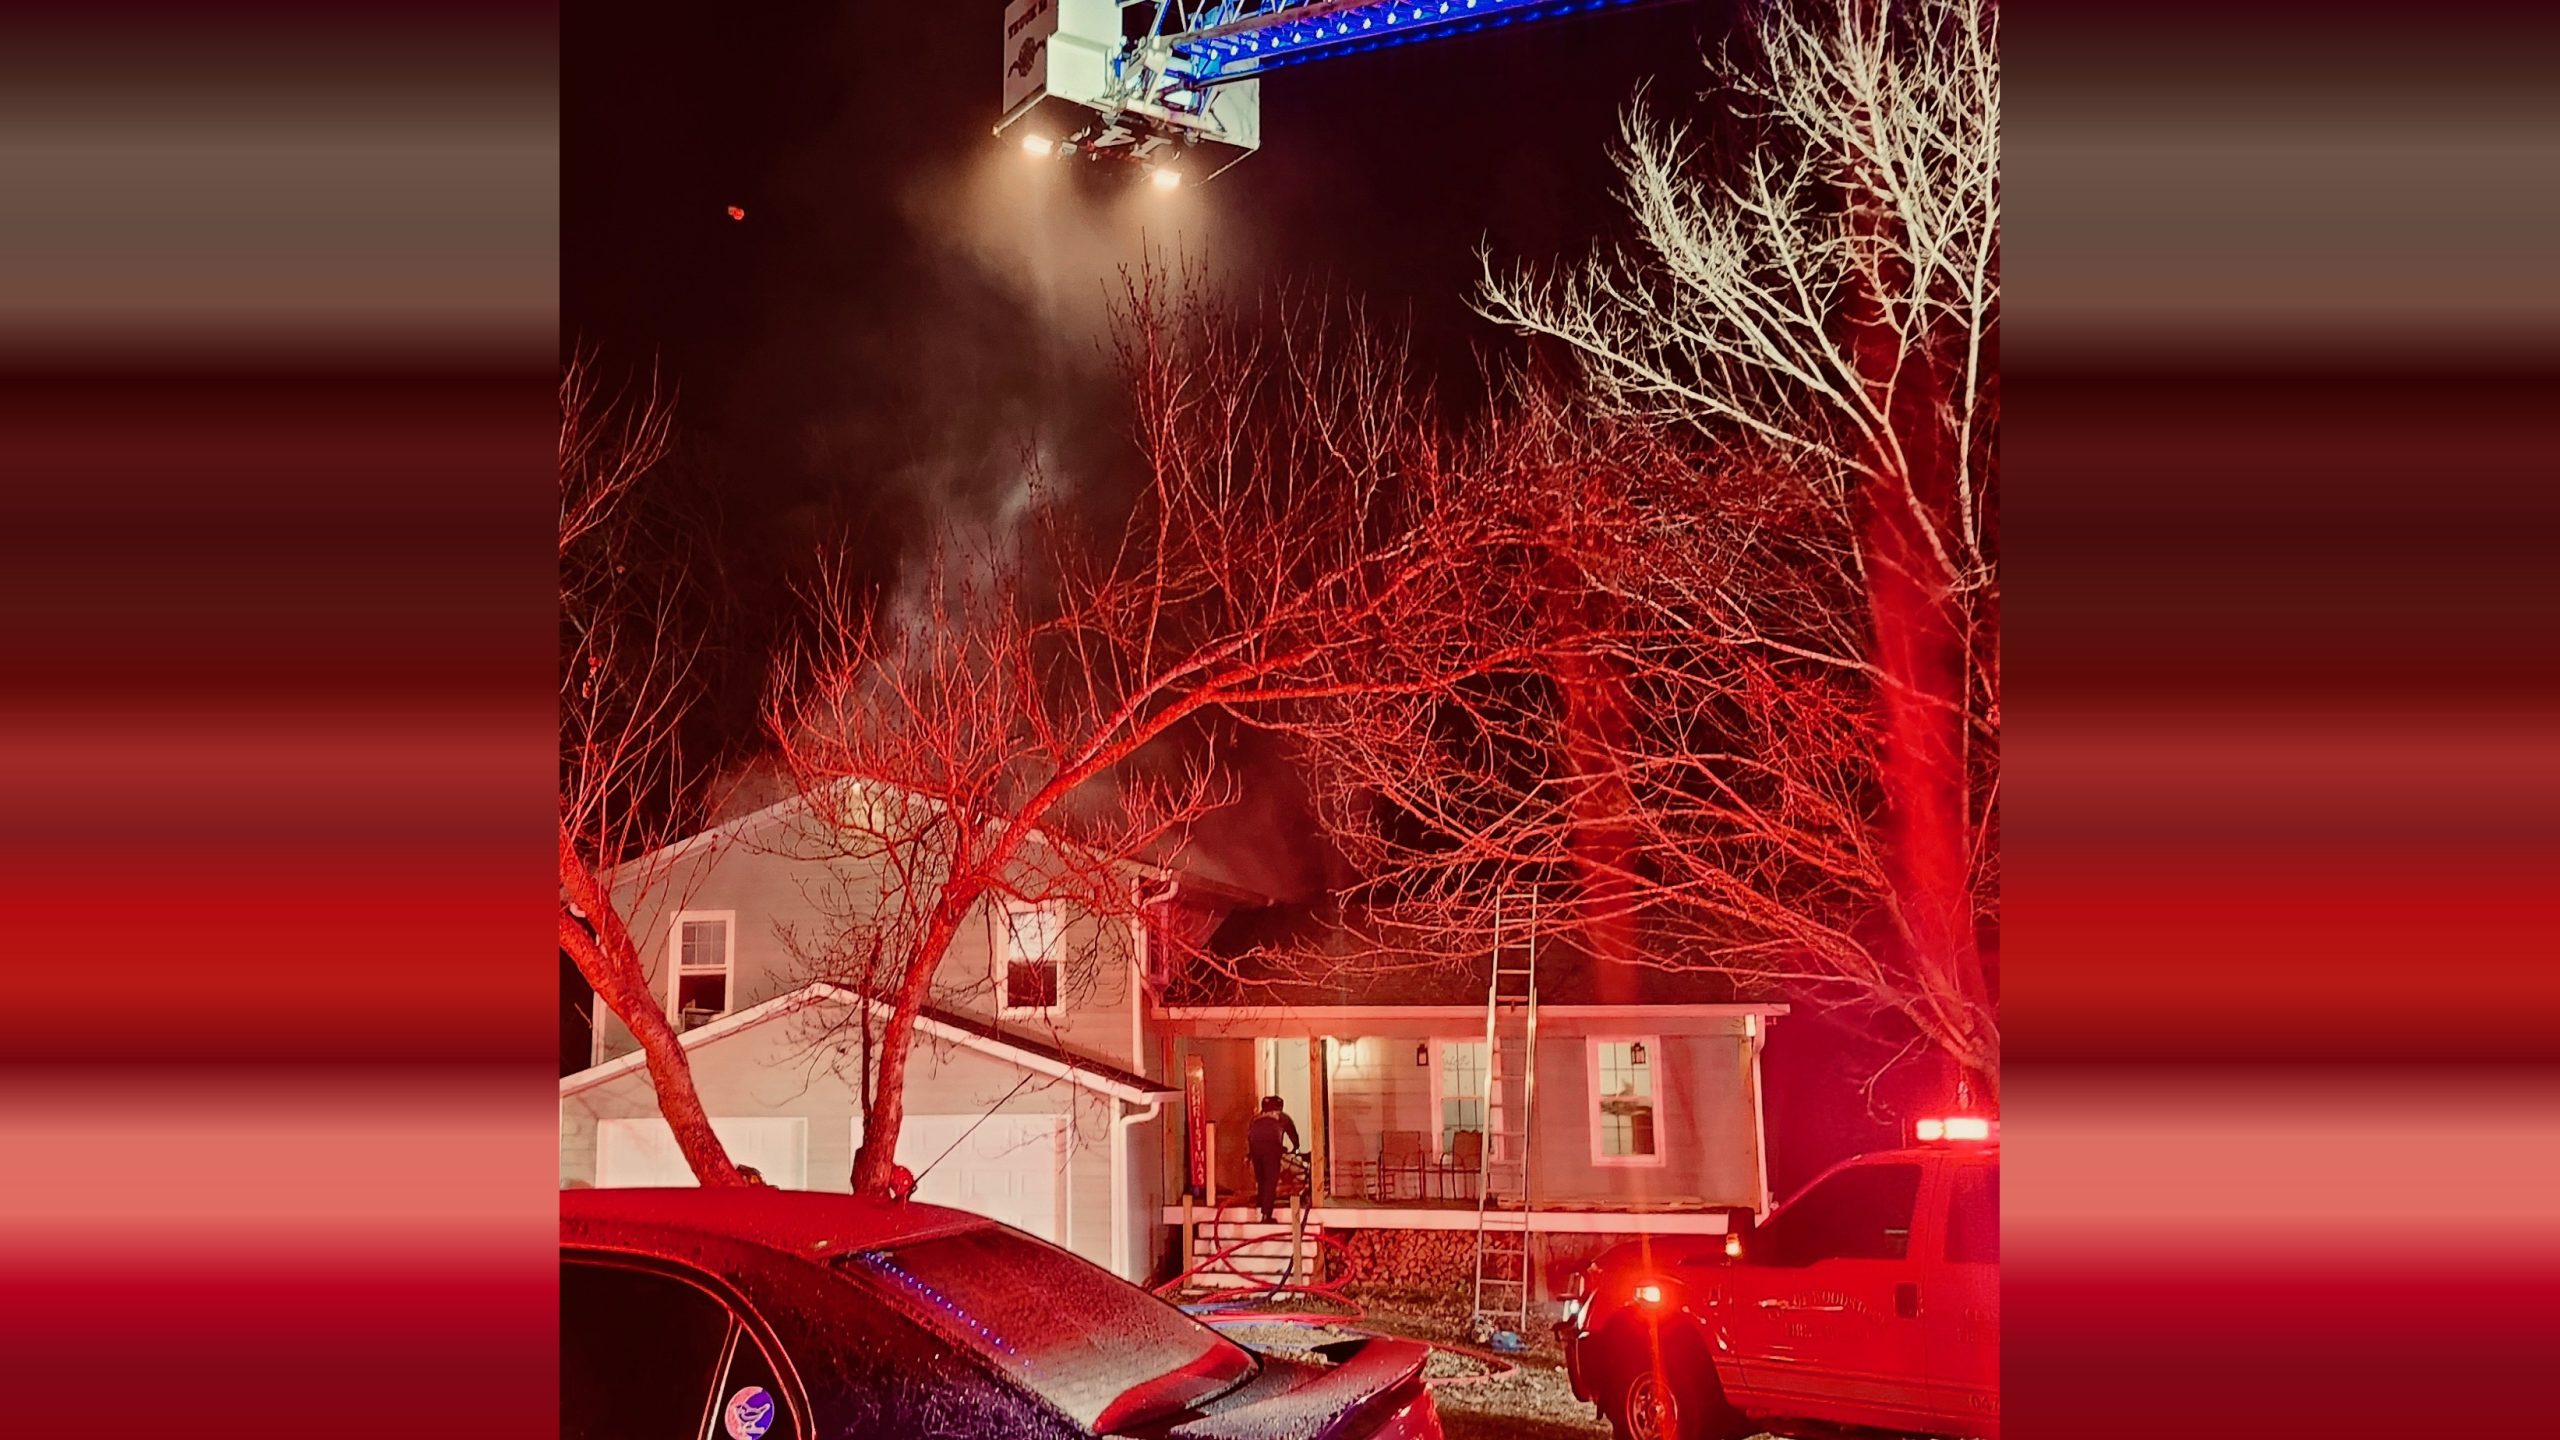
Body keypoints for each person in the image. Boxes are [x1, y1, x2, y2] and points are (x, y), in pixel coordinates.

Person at [1246, 1094, 1300, 1224]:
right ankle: (1266, 1215)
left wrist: (1249, 1154)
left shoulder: (1256, 1118)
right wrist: (1295, 1148)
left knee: (1261, 1179)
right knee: (1270, 1181)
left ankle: (1261, 1202)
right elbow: (1293, 1134)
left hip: (1255, 1149)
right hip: (1271, 1149)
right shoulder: (1281, 1117)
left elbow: (1250, 1135)